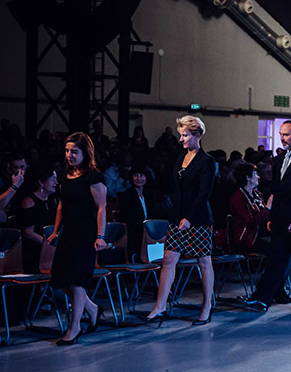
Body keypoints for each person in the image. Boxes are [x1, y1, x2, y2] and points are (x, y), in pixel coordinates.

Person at [243, 120, 291, 312]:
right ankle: (261, 298)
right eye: (281, 134)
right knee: (275, 260)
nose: (282, 138)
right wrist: (272, 217)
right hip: (281, 220)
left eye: (286, 135)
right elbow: (276, 191)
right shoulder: (279, 160)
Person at [145, 116, 216, 325]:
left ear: (197, 135)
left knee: (203, 262)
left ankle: (206, 306)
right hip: (177, 217)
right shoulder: (180, 157)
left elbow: (204, 193)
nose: (182, 139)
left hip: (198, 219)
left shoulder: (207, 161)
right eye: (181, 135)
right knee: (168, 260)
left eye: (185, 135)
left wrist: (189, 218)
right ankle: (160, 306)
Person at [46, 133, 106, 345]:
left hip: (86, 233)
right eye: (67, 151)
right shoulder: (66, 175)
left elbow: (101, 207)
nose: (69, 155)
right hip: (69, 232)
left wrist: (100, 236)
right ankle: (92, 309)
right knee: (61, 280)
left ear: (85, 153)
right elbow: (61, 205)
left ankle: (75, 326)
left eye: (74, 151)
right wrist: (56, 231)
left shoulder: (94, 177)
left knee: (77, 281)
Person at [16, 166, 59, 273]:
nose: (56, 183)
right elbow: (28, 232)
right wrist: (48, 245)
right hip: (35, 249)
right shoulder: (29, 202)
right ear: (41, 182)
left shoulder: (53, 201)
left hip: (51, 246)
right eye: (52, 179)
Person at [228, 161, 271, 253]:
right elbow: (250, 222)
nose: (258, 177)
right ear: (247, 177)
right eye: (255, 174)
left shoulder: (257, 194)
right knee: (277, 248)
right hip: (248, 239)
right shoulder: (238, 197)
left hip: (261, 235)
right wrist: (267, 208)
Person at [116, 163, 156, 259]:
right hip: (135, 231)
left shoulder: (149, 195)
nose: (139, 178)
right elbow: (129, 218)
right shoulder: (126, 195)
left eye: (142, 175)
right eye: (135, 175)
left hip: (148, 230)